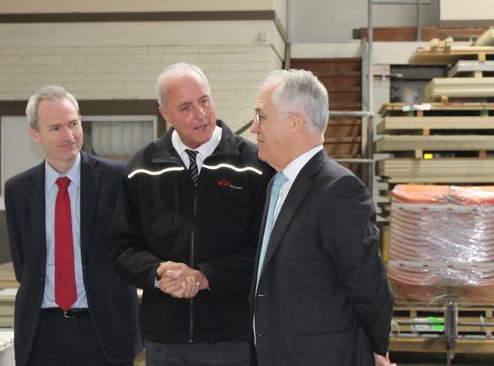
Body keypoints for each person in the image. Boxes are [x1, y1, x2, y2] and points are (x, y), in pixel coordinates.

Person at [108, 62, 273, 366]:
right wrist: (158, 272)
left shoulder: (253, 166)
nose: (200, 114)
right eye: (185, 107)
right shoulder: (141, 169)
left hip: (232, 338)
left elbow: (266, 252)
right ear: (165, 114)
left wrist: (205, 277)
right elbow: (122, 248)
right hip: (164, 341)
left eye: (204, 100)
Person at [249, 69, 394, 365]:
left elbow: (370, 287)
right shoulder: (278, 185)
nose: (254, 128)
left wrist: (374, 350)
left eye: (261, 117)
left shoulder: (338, 190)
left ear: (295, 123)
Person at [4, 85, 140, 366]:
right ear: (34, 134)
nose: (69, 136)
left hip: (105, 330)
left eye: (73, 124)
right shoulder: (18, 190)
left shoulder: (117, 179)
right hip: (42, 334)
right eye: (55, 128)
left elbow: (133, 248)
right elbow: (24, 265)